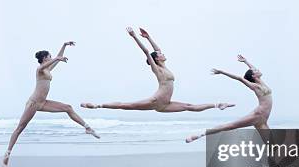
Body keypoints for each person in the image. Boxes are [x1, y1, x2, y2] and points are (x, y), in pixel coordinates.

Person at [81, 27, 234, 112]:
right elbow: (148, 52)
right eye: (160, 54)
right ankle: (97, 105)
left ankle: (218, 105)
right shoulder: (158, 70)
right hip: (155, 100)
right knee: (125, 105)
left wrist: (149, 37)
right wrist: (135, 36)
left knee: (190, 107)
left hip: (165, 104)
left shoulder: (164, 66)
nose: (163, 53)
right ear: (156, 59)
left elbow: (156, 49)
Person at [2, 41, 99, 167]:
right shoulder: (40, 70)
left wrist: (64, 46)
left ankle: (87, 128)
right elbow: (45, 66)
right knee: (20, 128)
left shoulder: (48, 69)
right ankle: (7, 153)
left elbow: (57, 60)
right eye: (50, 56)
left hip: (43, 102)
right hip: (33, 103)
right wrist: (57, 58)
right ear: (44, 58)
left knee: (68, 108)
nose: (52, 57)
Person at [186, 54, 270, 143]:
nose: (258, 70)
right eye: (256, 70)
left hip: (263, 118)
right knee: (230, 126)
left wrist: (246, 61)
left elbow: (253, 70)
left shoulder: (261, 82)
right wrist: (222, 72)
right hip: (258, 115)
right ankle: (199, 135)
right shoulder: (255, 86)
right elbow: (239, 78)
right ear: (254, 76)